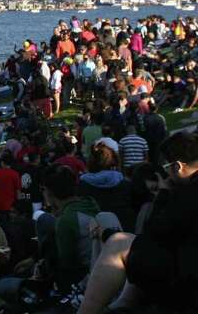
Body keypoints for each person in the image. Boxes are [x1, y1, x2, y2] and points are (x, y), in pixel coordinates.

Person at [77, 131, 198, 314]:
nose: (165, 176)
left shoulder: (188, 195)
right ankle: (121, 305)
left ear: (178, 166)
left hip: (186, 281)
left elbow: (152, 236)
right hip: (184, 266)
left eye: (167, 167)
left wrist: (163, 194)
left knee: (120, 243)